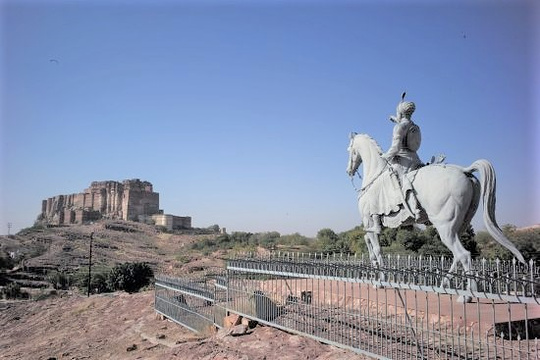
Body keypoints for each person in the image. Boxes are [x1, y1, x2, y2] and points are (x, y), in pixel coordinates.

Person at [382, 92, 422, 177]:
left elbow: (396, 148)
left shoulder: (399, 127)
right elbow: (405, 125)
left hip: (403, 163)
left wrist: (385, 157)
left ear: (401, 113)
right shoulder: (415, 126)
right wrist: (396, 120)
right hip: (416, 160)